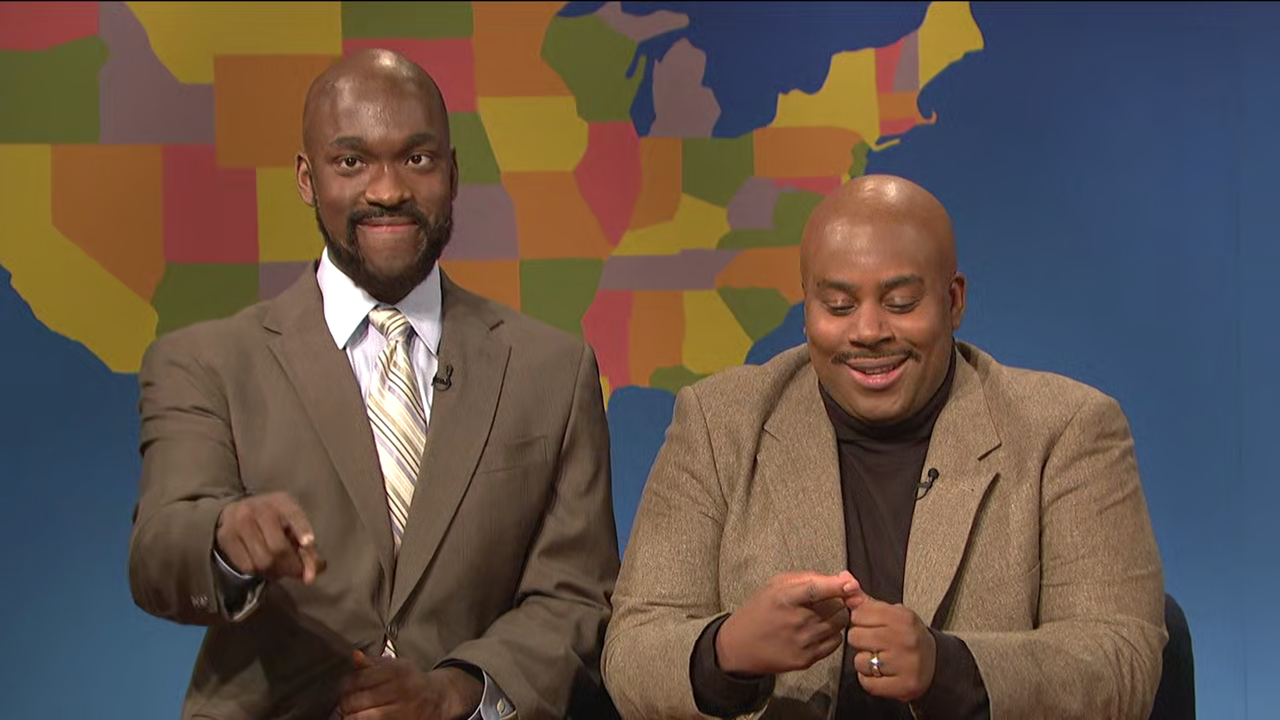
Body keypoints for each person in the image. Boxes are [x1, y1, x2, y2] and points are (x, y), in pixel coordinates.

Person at [128, 48, 620, 720]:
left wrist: (454, 693)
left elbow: (576, 596)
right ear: (307, 179)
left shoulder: (552, 371)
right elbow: (158, 554)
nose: (387, 191)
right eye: (352, 162)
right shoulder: (205, 362)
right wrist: (225, 539)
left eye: (416, 158)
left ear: (453, 173)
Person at [600, 174, 1167, 719]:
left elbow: (1120, 660)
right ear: (807, 308)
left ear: (953, 301)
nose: (868, 331)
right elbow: (631, 653)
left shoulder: (1065, 430)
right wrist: (726, 651)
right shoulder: (719, 423)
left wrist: (947, 669)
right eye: (838, 306)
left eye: (900, 302)